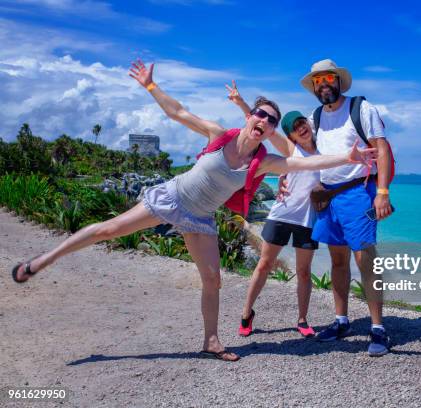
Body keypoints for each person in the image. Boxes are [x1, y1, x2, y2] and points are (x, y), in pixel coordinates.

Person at [10, 60, 377, 362]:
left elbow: (307, 166)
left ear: (268, 132)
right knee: (107, 230)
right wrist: (151, 87)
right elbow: (179, 113)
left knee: (213, 280)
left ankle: (212, 341)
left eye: (269, 120)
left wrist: (348, 156)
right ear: (251, 118)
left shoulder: (263, 163)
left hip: (201, 218)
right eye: (260, 114)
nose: (263, 121)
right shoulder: (219, 134)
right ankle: (42, 261)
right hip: (171, 199)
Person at [297, 59, 394, 356]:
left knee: (366, 259)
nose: (323, 84)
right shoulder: (315, 116)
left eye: (327, 78)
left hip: (358, 194)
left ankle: (378, 328)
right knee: (337, 262)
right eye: (317, 80)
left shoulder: (362, 109)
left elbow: (383, 149)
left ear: (338, 80)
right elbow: (301, 149)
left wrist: (382, 192)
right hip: (328, 197)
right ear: (314, 87)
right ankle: (342, 321)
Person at [224, 81, 320, 337]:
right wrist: (241, 102)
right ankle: (246, 312)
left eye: (303, 124)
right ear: (291, 135)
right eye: (295, 129)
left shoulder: (324, 153)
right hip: (281, 215)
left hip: (308, 220)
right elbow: (262, 123)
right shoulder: (292, 150)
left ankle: (302, 319)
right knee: (264, 265)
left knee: (303, 271)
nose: (301, 129)